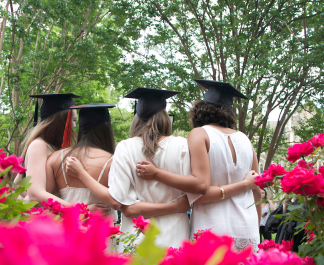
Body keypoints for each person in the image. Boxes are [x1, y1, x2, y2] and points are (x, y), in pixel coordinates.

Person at [65, 88, 199, 249]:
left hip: (136, 237)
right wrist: (176, 206)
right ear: (165, 116)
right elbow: (189, 199)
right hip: (175, 235)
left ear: (137, 118)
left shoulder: (125, 147)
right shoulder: (182, 145)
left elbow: (124, 205)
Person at [137, 79, 261, 251]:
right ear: (229, 112)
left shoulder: (199, 134)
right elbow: (257, 191)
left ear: (199, 110)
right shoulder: (245, 139)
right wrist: (256, 224)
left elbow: (200, 194)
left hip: (213, 227)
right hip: (248, 227)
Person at [46, 103, 117, 216]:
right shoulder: (112, 161)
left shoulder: (56, 158)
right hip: (101, 230)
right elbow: (117, 201)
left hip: (67, 228)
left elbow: (46, 199)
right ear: (106, 129)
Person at [17, 93, 80, 206]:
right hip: (41, 218)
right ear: (62, 121)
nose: (74, 125)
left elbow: (18, 184)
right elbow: (35, 193)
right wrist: (77, 209)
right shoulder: (39, 145)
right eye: (73, 120)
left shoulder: (51, 146)